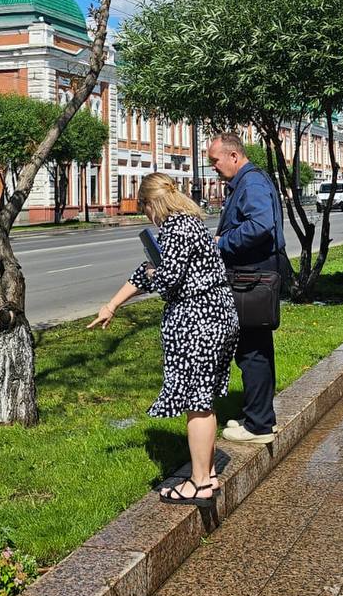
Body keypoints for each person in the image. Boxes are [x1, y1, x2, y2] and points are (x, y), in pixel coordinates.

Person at [88, 173, 239, 506]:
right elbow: (149, 270)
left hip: (199, 322)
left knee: (196, 402)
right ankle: (208, 473)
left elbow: (168, 280)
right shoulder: (190, 223)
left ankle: (199, 483)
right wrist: (113, 304)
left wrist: (157, 272)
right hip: (217, 317)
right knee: (205, 398)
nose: (146, 215)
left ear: (150, 203)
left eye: (144, 208)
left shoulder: (176, 228)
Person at [208, 132, 286, 444]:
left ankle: (258, 426)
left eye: (215, 160)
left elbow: (259, 225)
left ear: (234, 156)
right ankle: (262, 417)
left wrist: (222, 243)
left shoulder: (251, 182)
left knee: (252, 350)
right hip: (252, 277)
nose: (213, 166)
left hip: (252, 278)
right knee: (257, 348)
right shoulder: (250, 180)